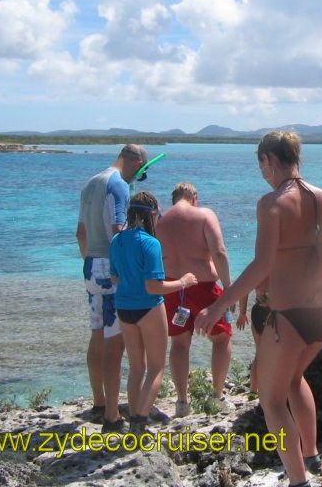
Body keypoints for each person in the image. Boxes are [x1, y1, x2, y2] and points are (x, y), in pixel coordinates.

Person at [194, 131, 322, 487]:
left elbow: (261, 265)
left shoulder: (271, 203)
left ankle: (299, 480)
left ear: (269, 161)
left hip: (287, 318)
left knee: (271, 401)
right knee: (292, 379)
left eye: (262, 166)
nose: (263, 173)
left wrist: (217, 306)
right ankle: (312, 453)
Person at [109, 191, 197, 435]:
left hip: (124, 308)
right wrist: (183, 282)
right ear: (151, 214)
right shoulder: (150, 243)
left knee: (137, 367)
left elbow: (114, 277)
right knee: (156, 367)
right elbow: (154, 287)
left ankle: (134, 417)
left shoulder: (116, 241)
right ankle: (139, 420)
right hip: (148, 307)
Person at [76, 143, 148, 431]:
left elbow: (80, 233)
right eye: (141, 172)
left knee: (97, 334)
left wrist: (90, 263)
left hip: (91, 264)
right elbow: (120, 232)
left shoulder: (90, 183)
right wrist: (129, 271)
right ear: (135, 162)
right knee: (115, 343)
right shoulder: (118, 186)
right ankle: (112, 415)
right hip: (111, 265)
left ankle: (98, 401)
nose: (139, 179)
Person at [155, 182, 233, 417]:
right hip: (204, 287)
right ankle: (218, 396)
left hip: (173, 288)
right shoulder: (204, 214)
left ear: (174, 198)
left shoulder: (160, 221)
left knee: (179, 344)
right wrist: (229, 288)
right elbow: (219, 252)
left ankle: (181, 402)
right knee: (221, 338)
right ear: (194, 197)